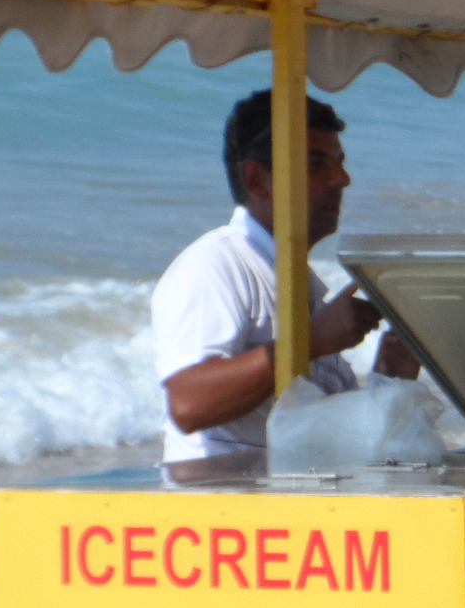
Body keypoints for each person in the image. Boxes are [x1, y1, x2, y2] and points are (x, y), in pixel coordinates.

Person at [152, 90, 419, 464]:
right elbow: (188, 404)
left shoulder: (294, 280)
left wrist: (397, 364)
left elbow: (328, 435)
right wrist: (309, 340)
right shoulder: (216, 263)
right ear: (258, 180)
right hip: (226, 510)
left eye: (340, 162)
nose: (341, 179)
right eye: (315, 164)